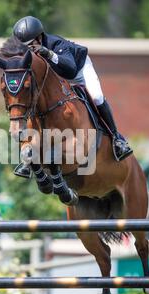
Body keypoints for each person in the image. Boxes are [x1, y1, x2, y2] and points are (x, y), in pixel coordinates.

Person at [12, 16, 132, 178]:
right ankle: (28, 154)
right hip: (58, 78)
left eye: (31, 45)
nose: (29, 50)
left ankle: (117, 140)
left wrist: (49, 54)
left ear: (39, 38)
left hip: (79, 70)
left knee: (96, 97)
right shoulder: (28, 51)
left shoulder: (56, 44)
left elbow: (70, 70)